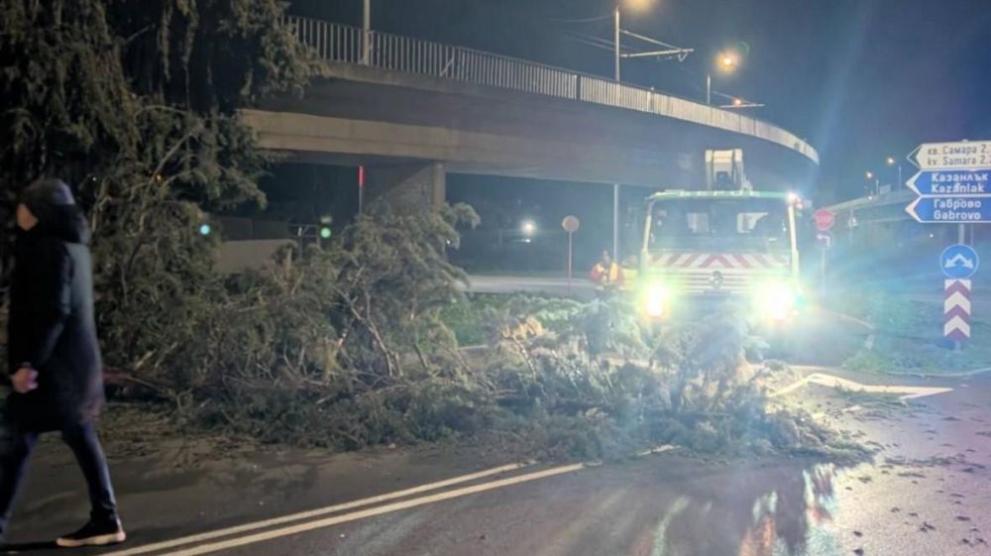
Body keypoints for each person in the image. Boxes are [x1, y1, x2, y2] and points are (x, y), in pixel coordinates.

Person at [1, 179, 125, 547]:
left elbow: (54, 311)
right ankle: (106, 518)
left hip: (52, 373)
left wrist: (29, 363)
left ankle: (105, 518)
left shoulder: (48, 249)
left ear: (39, 211)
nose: (19, 210)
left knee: (14, 443)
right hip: (74, 369)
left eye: (25, 204)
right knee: (78, 435)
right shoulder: (75, 247)